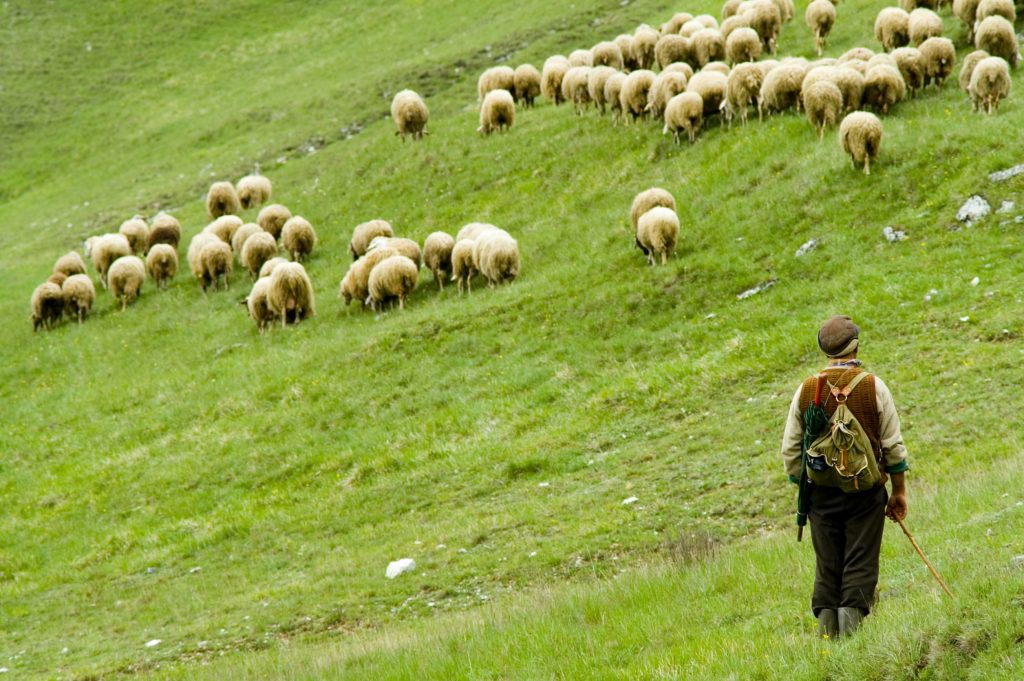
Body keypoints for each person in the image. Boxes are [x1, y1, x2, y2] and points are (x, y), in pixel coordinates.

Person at [780, 315, 909, 638]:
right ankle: (850, 644)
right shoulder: (873, 386)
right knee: (860, 563)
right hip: (865, 493)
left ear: (825, 350)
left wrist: (805, 487)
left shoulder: (807, 389)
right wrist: (898, 491)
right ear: (855, 345)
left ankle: (829, 644)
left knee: (828, 566)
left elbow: (790, 451)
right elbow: (893, 447)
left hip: (820, 495)